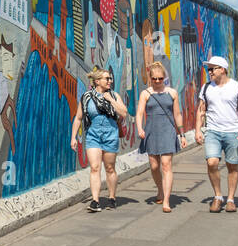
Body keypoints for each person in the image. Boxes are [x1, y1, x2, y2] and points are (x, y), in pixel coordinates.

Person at [194, 55, 238, 213]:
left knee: (232, 166)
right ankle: (218, 196)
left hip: (233, 132)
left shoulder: (237, 87)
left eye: (212, 69)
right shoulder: (206, 88)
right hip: (213, 131)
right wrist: (198, 130)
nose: (209, 72)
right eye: (208, 69)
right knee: (212, 162)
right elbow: (201, 110)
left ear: (222, 70)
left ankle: (231, 199)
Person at [73, 68, 126, 211]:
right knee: (95, 168)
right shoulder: (86, 97)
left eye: (110, 78)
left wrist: (110, 100)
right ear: (97, 81)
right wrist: (73, 137)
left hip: (110, 135)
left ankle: (112, 197)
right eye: (107, 79)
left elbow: (124, 113)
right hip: (93, 136)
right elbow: (78, 118)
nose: (110, 81)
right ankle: (95, 201)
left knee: (109, 168)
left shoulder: (114, 96)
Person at [136, 61, 186, 212]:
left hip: (167, 131)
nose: (157, 81)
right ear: (150, 78)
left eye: (160, 78)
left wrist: (182, 135)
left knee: (166, 164)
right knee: (154, 165)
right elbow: (139, 113)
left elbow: (177, 114)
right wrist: (139, 128)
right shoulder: (145, 94)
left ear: (164, 78)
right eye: (154, 79)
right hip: (151, 130)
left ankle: (166, 201)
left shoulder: (172, 93)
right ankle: (160, 189)